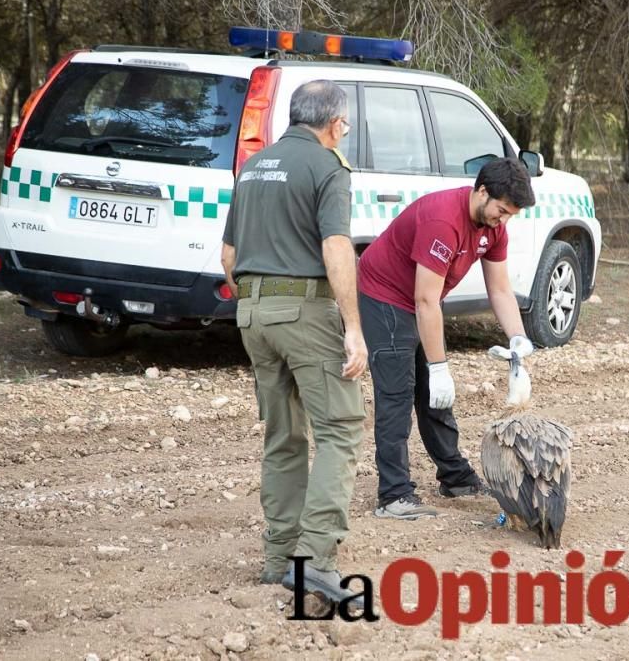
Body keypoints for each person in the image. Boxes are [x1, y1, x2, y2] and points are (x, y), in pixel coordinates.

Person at [220, 80, 367, 603]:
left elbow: (228, 257)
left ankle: (278, 558)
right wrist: (352, 328)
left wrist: (257, 302)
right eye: (344, 125)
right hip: (304, 312)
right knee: (341, 430)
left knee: (283, 438)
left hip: (252, 313)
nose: (344, 132)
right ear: (334, 123)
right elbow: (335, 247)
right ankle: (313, 562)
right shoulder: (328, 169)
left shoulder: (255, 167)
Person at [357, 158, 537, 520]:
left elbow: (500, 289)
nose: (503, 220)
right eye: (502, 210)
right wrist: (439, 367)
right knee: (398, 391)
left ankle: (455, 476)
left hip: (423, 301)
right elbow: (424, 301)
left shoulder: (493, 227)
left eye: (510, 215)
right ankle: (393, 495)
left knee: (436, 395)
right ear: (482, 191)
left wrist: (518, 339)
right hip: (385, 295)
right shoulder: (444, 220)